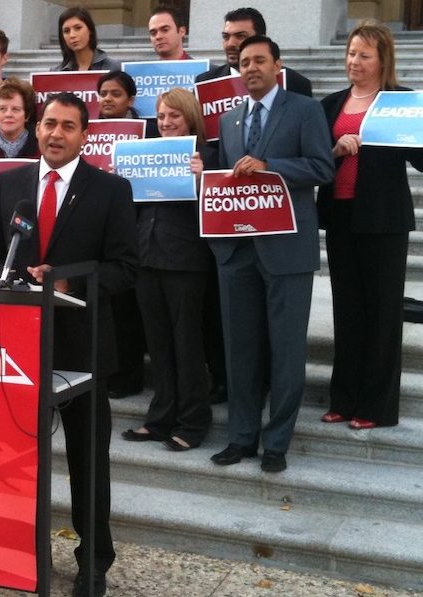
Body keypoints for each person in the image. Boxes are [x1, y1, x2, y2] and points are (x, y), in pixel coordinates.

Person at [0, 92, 137, 597]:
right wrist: (5, 280)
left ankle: (93, 561)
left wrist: (65, 282)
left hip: (82, 347)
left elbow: (125, 268)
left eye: (68, 125)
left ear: (84, 135)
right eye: (48, 123)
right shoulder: (9, 184)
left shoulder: (110, 190)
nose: (55, 133)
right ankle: (26, 551)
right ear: (35, 126)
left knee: (88, 463)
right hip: (15, 346)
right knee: (17, 459)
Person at [208, 36, 334, 473]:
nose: (250, 68)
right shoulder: (229, 120)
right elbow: (227, 178)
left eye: (259, 60)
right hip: (238, 249)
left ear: (277, 65)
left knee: (285, 351)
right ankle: (241, 437)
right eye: (244, 62)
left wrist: (271, 166)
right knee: (239, 350)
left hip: (287, 251)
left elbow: (322, 167)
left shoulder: (304, 109)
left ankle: (276, 442)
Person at [317, 20, 423, 430]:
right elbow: (314, 160)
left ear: (382, 60)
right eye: (350, 53)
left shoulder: (402, 101)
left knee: (381, 313)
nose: (354, 61)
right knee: (348, 311)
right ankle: (343, 398)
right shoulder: (330, 104)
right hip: (341, 217)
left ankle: (376, 406)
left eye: (363, 55)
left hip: (384, 220)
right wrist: (335, 149)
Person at [121, 88, 216, 450]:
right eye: (161, 116)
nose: (166, 122)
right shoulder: (146, 154)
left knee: (187, 344)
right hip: (147, 258)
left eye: (174, 116)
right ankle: (160, 418)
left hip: (186, 261)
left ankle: (193, 423)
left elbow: (217, 210)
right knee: (158, 344)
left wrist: (201, 179)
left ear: (190, 116)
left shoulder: (206, 157)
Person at [95, 70, 148, 399]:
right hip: (97, 227)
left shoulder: (146, 133)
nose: (108, 99)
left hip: (134, 227)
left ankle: (130, 375)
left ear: (130, 100)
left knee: (128, 311)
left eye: (115, 93)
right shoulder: (89, 133)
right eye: (103, 93)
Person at [195, 7, 313, 97]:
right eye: (226, 37)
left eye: (240, 36)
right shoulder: (205, 84)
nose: (230, 44)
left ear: (261, 39)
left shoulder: (295, 83)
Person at [53, 7, 120, 72]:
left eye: (78, 28)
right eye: (66, 31)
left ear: (90, 29)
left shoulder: (113, 68)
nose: (72, 35)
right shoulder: (57, 73)